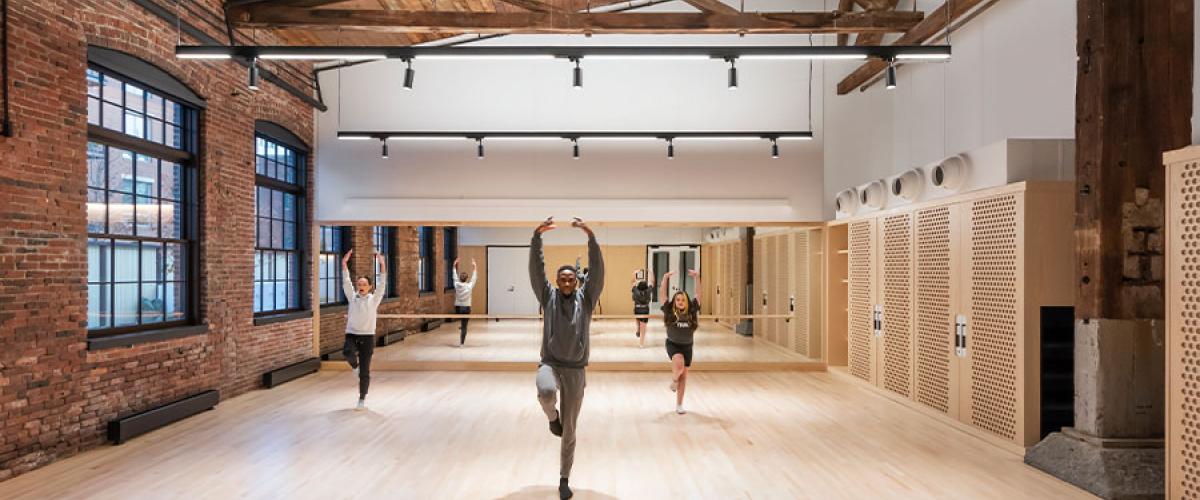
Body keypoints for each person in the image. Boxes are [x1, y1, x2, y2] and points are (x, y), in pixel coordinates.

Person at [531, 216, 604, 500]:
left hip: (575, 370)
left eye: (570, 279)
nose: (565, 282)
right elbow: (536, 271)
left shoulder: (585, 301)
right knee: (545, 391)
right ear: (556, 281)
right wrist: (536, 238)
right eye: (561, 279)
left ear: (576, 281)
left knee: (570, 429)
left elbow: (597, 273)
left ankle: (564, 478)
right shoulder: (547, 296)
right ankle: (552, 417)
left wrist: (591, 237)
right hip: (550, 362)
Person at [341, 249, 386, 411]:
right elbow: (346, 281)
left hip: (367, 337)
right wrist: (344, 264)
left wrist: (381, 264)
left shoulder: (374, 300)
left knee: (365, 372)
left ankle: (361, 398)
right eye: (359, 284)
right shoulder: (352, 297)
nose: (361, 286)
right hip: (352, 334)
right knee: (347, 352)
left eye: (364, 284)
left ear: (369, 287)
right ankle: (354, 367)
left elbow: (382, 284)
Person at [660, 269, 700, 415]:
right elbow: (663, 295)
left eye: (683, 300)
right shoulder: (669, 310)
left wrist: (697, 278)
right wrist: (665, 278)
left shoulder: (692, 311)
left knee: (684, 376)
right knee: (679, 364)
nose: (680, 302)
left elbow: (698, 295)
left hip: (688, 346)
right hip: (673, 344)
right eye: (678, 300)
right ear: (675, 302)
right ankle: (674, 379)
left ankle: (679, 404)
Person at [451, 258, 478, 347]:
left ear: (460, 278)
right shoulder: (469, 286)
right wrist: (474, 267)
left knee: (462, 321)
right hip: (466, 308)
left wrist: (454, 266)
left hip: (458, 308)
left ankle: (462, 326)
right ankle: (462, 343)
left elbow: (454, 276)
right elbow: (474, 278)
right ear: (467, 279)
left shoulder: (456, 284)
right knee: (464, 325)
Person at [631, 270, 654, 348]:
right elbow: (652, 282)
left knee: (638, 319)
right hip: (645, 310)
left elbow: (633, 281)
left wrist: (634, 273)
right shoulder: (648, 291)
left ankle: (638, 329)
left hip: (637, 309)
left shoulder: (635, 290)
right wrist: (651, 273)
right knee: (643, 327)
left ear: (638, 286)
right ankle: (641, 344)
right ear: (646, 286)